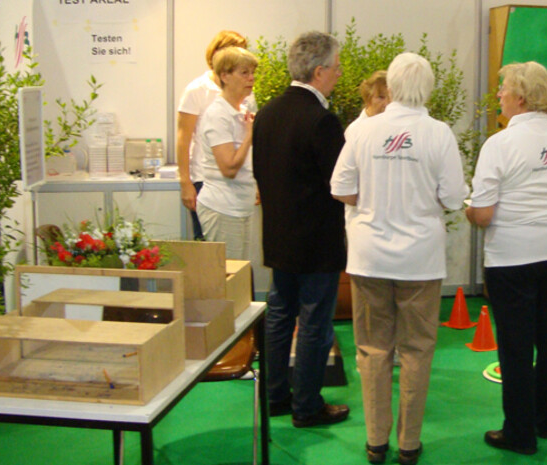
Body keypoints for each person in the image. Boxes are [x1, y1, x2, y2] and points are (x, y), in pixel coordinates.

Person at [331, 53, 468, 465]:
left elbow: (340, 188)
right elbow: (453, 198)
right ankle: (409, 444)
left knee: (372, 349)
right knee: (416, 350)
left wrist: (373, 203)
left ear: (390, 86)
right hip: (420, 261)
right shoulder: (439, 134)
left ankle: (375, 442)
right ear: (427, 88)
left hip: (370, 256)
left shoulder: (363, 131)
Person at [466, 61, 547, 455]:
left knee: (516, 347)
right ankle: (544, 422)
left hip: (512, 257)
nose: (500, 96)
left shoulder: (500, 144)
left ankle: (519, 434)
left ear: (520, 98)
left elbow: (484, 214)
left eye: (504, 89)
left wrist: (468, 208)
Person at [252, 31, 349, 428]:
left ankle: (275, 396)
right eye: (337, 67)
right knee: (313, 323)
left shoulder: (268, 112)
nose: (340, 74)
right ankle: (306, 406)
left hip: (279, 236)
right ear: (320, 71)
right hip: (316, 242)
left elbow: (261, 174)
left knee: (279, 316)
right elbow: (341, 184)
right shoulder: (322, 120)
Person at [176, 30, 255, 241]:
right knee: (212, 253)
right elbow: (183, 140)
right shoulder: (197, 90)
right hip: (206, 178)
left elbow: (248, 138)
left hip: (238, 184)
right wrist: (185, 182)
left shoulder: (247, 92)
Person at [195, 47, 257, 259]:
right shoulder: (218, 114)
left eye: (252, 72)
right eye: (244, 72)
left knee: (240, 275)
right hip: (222, 207)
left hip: (241, 204)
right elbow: (229, 167)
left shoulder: (242, 111)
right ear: (225, 76)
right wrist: (250, 135)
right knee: (228, 278)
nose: (251, 78)